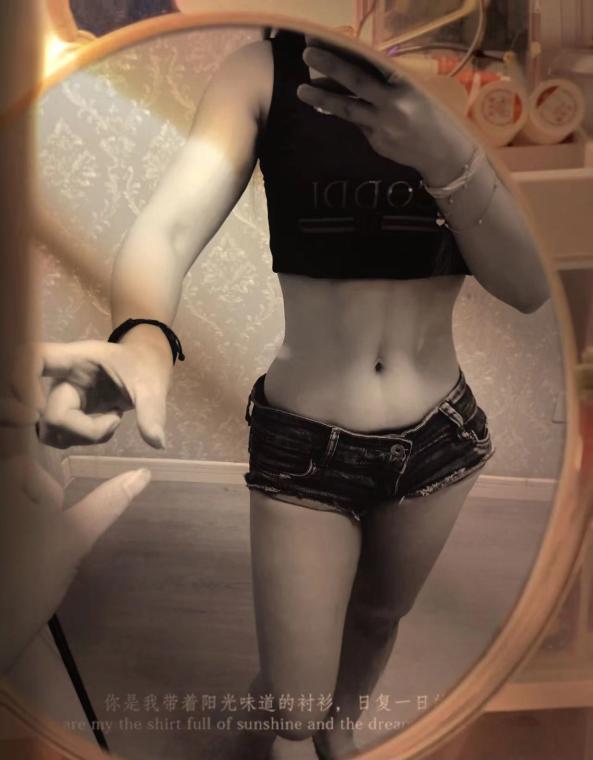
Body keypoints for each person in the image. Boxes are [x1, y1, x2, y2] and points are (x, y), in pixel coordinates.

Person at [37, 28, 548, 759]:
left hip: (442, 435)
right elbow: (170, 228)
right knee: (292, 704)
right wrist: (143, 336)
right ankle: (290, 719)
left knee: (378, 618)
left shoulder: (480, 83)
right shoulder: (264, 70)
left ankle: (343, 729)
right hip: (307, 441)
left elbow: (528, 286)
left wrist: (448, 156)